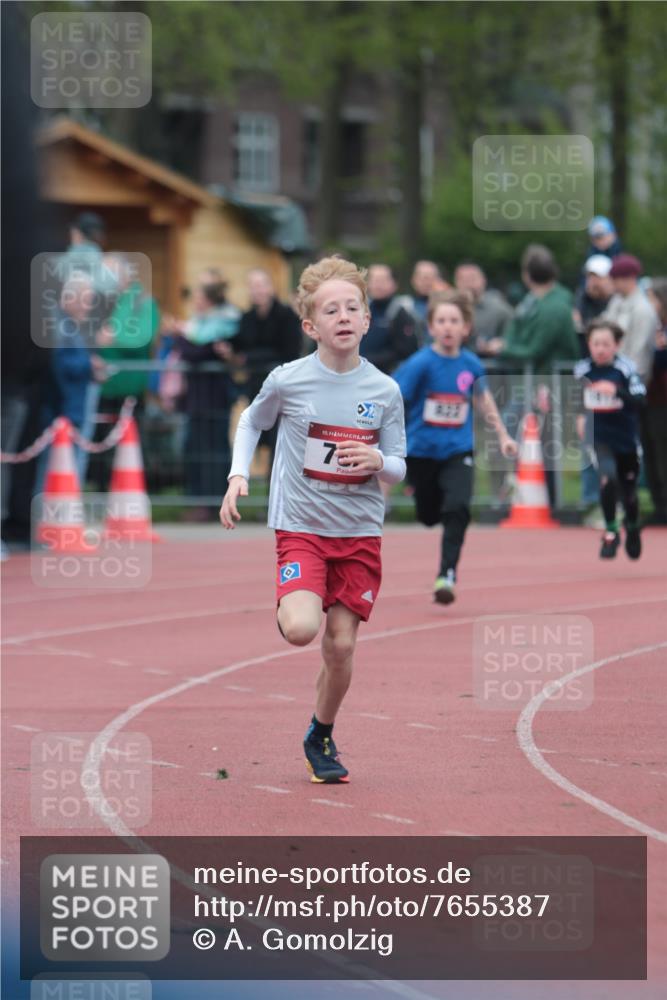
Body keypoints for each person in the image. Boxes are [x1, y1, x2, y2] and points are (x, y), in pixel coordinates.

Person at [220, 256, 406, 784]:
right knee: (303, 629)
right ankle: (295, 593)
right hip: (301, 525)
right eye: (331, 310)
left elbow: (398, 464)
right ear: (311, 326)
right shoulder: (289, 380)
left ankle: (319, 733)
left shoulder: (385, 391)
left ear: (368, 320)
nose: (343, 316)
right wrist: (238, 476)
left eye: (353, 307)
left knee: (341, 646)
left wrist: (379, 463)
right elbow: (249, 423)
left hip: (359, 533)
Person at [393, 292, 517, 605]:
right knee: (429, 515)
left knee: (458, 506)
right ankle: (426, 504)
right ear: (432, 327)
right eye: (441, 321)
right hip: (421, 451)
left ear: (466, 327)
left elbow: (483, 400)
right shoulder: (420, 363)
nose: (448, 327)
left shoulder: (471, 364)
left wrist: (502, 435)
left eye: (454, 321)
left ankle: (447, 573)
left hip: (458, 450)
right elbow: (394, 397)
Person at [485, 245, 579, 508]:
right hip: (532, 381)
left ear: (527, 274)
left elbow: (533, 348)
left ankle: (542, 501)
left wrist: (505, 347)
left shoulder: (554, 307)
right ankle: (527, 497)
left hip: (544, 383)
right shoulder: (537, 300)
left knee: (537, 440)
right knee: (535, 440)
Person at [574, 319, 646, 559]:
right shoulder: (582, 370)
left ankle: (633, 527)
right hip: (599, 437)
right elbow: (576, 399)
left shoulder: (626, 369)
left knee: (630, 495)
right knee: (607, 478)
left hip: (626, 440)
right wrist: (579, 417)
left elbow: (640, 401)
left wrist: (615, 391)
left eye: (606, 344)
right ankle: (611, 531)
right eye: (596, 344)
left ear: (616, 345)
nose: (601, 349)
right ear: (589, 345)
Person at [176, 271, 241, 520]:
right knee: (196, 449)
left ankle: (216, 502)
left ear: (209, 300)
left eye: (199, 296)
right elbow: (195, 350)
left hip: (215, 397)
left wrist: (180, 338)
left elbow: (195, 353)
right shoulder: (198, 323)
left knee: (214, 451)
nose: (195, 301)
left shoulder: (225, 323)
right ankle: (200, 502)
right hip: (196, 398)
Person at [230, 268, 303, 472]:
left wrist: (250, 357)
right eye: (252, 286)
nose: (257, 291)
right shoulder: (247, 317)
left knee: (279, 441)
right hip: (255, 387)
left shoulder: (286, 316)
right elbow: (240, 343)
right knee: (257, 436)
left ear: (270, 288)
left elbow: (289, 352)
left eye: (261, 285)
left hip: (282, 389)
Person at [603, 254, 657, 383]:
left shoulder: (642, 309)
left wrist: (629, 381)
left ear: (629, 279)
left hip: (630, 379)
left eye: (615, 279)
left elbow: (639, 351)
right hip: (612, 374)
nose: (612, 283)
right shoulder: (616, 300)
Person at [360, 264, 419, 373]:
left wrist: (369, 360)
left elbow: (406, 351)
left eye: (382, 280)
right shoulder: (361, 309)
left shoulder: (400, 314)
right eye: (374, 280)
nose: (378, 285)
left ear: (394, 284)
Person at [642, 278, 667, 525]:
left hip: (662, 400)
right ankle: (659, 504)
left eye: (652, 298)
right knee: (650, 453)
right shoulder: (653, 328)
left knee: (662, 454)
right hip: (649, 398)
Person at [454, 261, 513, 356]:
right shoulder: (448, 309)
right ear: (456, 282)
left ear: (483, 280)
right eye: (464, 279)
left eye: (473, 278)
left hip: (489, 366)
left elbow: (514, 337)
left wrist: (500, 343)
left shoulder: (500, 310)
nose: (469, 284)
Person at [573, 254, 615, 345]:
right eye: (590, 277)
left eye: (598, 277)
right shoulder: (581, 299)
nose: (593, 282)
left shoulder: (617, 302)